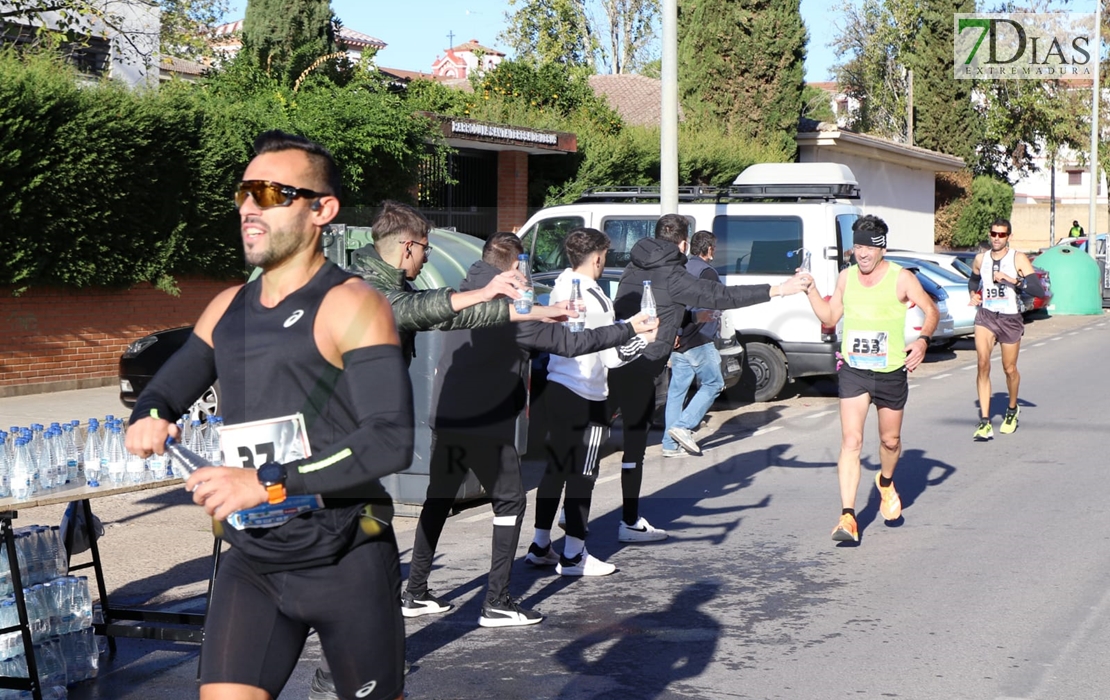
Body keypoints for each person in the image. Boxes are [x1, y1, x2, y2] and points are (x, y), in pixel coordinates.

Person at [125, 130, 412, 700]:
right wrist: (152, 413)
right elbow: (169, 385)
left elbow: (389, 440)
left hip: (346, 553)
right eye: (243, 193)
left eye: (272, 192)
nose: (251, 206)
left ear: (320, 210)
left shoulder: (352, 303)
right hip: (254, 559)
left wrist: (266, 483)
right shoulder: (228, 306)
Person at [310, 204, 568, 699]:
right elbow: (409, 310)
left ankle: (363, 662)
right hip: (339, 445)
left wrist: (527, 309)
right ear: (407, 244)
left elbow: (441, 314)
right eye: (424, 248)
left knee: (371, 556)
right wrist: (490, 289)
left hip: (362, 442)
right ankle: (336, 674)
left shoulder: (381, 277)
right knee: (352, 562)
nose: (425, 257)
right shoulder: (365, 285)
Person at [406, 233, 657, 626]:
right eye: (523, 267)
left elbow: (538, 323)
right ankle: (497, 602)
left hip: (448, 415)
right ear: (514, 265)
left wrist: (548, 310)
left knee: (438, 499)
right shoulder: (505, 308)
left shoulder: (468, 289)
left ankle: (415, 592)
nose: (526, 276)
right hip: (486, 422)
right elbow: (570, 344)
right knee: (510, 502)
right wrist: (631, 328)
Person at [608, 214, 811, 543]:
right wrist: (780, 289)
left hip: (613, 359)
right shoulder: (674, 273)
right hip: (643, 368)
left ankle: (558, 525)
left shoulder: (633, 266)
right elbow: (723, 297)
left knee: (586, 447)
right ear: (684, 243)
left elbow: (636, 306)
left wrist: (678, 321)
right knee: (633, 451)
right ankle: (628, 522)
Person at [801, 215, 938, 543]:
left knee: (890, 441)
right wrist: (810, 291)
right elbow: (831, 317)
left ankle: (886, 483)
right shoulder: (846, 278)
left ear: (882, 249)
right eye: (857, 246)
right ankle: (848, 517)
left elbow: (931, 310)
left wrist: (922, 340)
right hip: (854, 371)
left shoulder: (901, 278)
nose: (861, 253)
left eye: (868, 248)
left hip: (890, 372)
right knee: (851, 441)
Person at [527, 228, 654, 577]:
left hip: (558, 386)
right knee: (583, 474)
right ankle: (574, 554)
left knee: (555, 469)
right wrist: (643, 338)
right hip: (586, 393)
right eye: (605, 256)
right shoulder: (596, 297)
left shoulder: (562, 284)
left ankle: (541, 544)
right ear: (597, 257)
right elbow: (612, 356)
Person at [968, 218, 1043, 440]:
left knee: (1009, 369)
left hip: (1010, 318)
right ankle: (984, 421)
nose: (997, 238)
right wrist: (973, 294)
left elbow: (1038, 289)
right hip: (987, 316)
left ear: (1008, 236)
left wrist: (1014, 280)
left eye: (1002, 235)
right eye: (994, 234)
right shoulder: (980, 259)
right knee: (982, 364)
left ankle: (1011, 409)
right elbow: (973, 282)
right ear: (989, 234)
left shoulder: (1017, 258)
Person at [661, 230, 725, 457]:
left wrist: (676, 332)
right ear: (708, 249)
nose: (714, 251)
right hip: (698, 339)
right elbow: (707, 307)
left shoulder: (683, 269)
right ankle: (683, 426)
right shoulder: (708, 273)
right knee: (714, 384)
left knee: (677, 392)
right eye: (714, 248)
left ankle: (669, 445)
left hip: (679, 339)